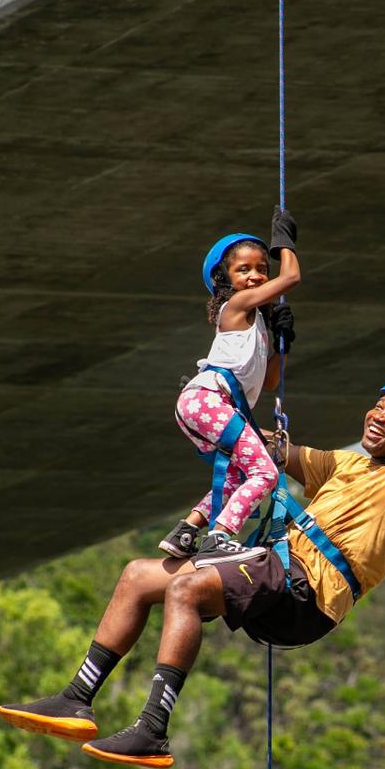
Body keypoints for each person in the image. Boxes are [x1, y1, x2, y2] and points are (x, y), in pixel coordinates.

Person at [0, 385, 385, 769]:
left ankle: (152, 727)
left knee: (186, 587)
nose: (379, 416)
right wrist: (234, 386)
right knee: (138, 576)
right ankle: (77, 698)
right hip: (277, 571)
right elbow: (273, 453)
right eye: (378, 407)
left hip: (309, 592)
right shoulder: (343, 465)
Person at [157, 205, 299, 568]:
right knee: (265, 473)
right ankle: (219, 538)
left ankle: (187, 530)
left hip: (205, 405)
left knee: (239, 476)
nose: (255, 276)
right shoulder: (235, 306)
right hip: (209, 400)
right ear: (225, 280)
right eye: (244, 269)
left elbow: (270, 382)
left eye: (261, 268)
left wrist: (282, 342)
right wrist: (284, 244)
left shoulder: (257, 328)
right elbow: (291, 278)